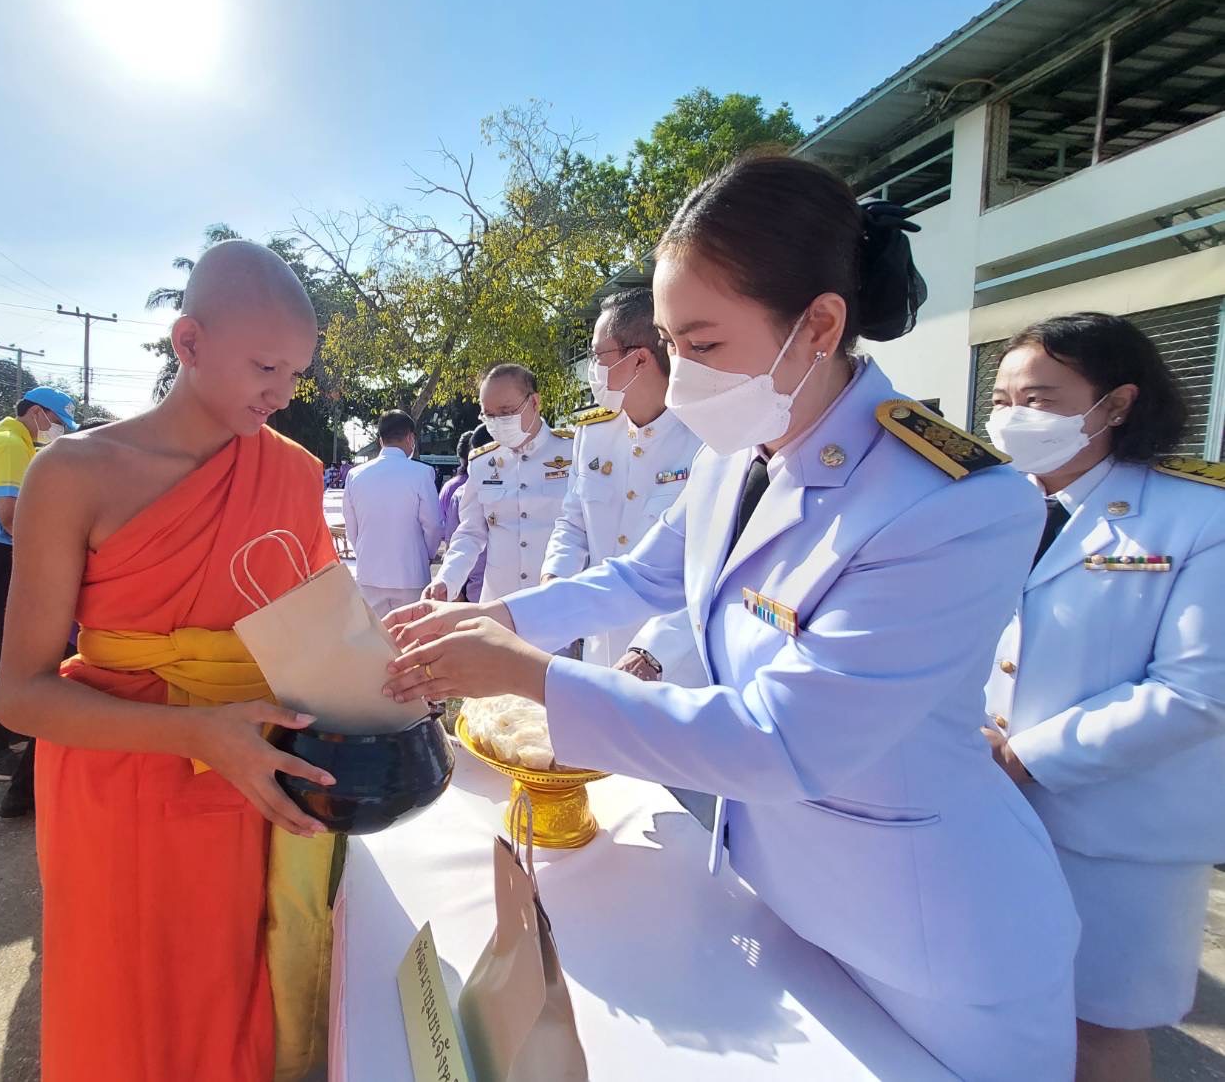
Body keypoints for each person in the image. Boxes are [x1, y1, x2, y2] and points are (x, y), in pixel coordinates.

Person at [381, 154, 1081, 1081]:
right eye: (672, 346)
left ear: (818, 324)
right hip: (778, 898)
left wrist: (522, 672)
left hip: (934, 944)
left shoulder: (954, 502)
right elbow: (639, 576)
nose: (679, 381)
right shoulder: (735, 454)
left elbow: (785, 741)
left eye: (704, 346)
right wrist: (497, 617)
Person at [0, 240, 342, 1082]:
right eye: (264, 366)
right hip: (121, 782)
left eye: (294, 374)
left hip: (251, 770)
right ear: (188, 343)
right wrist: (195, 731)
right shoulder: (73, 473)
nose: (281, 393)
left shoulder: (292, 472)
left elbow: (321, 628)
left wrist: (389, 677)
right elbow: (20, 696)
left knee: (237, 988)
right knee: (133, 1004)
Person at [982, 312, 1225, 1082]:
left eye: (1038, 399)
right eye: (1001, 399)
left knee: (1095, 1029)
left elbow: (1195, 692)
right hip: (982, 811)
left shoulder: (1198, 516)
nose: (1012, 417)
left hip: (1119, 840)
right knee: (989, 1005)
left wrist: (1019, 757)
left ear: (1115, 403)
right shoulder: (987, 505)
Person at [543, 287, 706, 686]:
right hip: (602, 650)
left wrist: (654, 651)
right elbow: (573, 523)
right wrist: (555, 582)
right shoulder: (593, 435)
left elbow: (714, 569)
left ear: (639, 359)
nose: (592, 369)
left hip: (674, 666)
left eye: (598, 356)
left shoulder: (707, 439)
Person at [0, 387, 78, 787]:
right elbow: (11, 517)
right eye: (57, 420)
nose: (57, 429)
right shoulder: (12, 444)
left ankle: (7, 734)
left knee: (8, 651)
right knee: (0, 655)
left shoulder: (4, 438)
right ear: (38, 412)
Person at [428, 364, 575, 603]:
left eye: (506, 412)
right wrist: (446, 580)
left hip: (557, 601)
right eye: (489, 415)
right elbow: (470, 532)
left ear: (534, 402)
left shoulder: (573, 451)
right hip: (499, 602)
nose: (497, 422)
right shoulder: (482, 462)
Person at [342, 410, 444, 616]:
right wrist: (426, 555)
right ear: (410, 438)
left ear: (381, 440)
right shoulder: (422, 473)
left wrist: (364, 553)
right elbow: (433, 525)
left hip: (369, 572)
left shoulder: (355, 475)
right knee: (413, 631)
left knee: (374, 633)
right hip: (411, 573)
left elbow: (351, 528)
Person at [439, 427, 491, 602]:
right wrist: (450, 585)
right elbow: (461, 540)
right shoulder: (463, 492)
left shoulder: (455, 490)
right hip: (475, 591)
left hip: (476, 590)